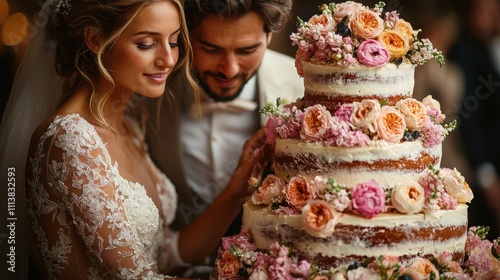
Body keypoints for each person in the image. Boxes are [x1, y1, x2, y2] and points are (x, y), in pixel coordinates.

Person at [0, 0, 269, 278]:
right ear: (95, 40)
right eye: (146, 44)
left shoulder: (130, 126)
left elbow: (164, 255)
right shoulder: (71, 140)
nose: (167, 59)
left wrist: (236, 190)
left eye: (174, 42)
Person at [145, 0, 304, 237]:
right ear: (185, 37)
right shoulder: (147, 91)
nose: (229, 70)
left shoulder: (302, 87)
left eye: (247, 50)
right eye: (211, 49)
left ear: (269, 37)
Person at [448, 0, 500, 240]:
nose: (488, 17)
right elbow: (469, 115)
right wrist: (486, 173)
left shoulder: (490, 44)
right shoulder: (463, 50)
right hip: (487, 163)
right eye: (482, 10)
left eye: (492, 10)